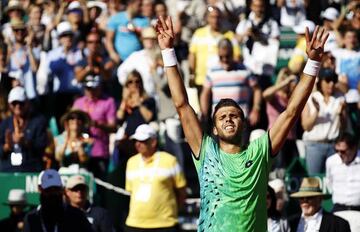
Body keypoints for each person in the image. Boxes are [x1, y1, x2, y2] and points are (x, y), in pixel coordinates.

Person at [155, 15, 329, 231]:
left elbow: (291, 112)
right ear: (215, 129)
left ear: (244, 124)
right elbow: (182, 105)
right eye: (222, 117)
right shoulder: (206, 150)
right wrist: (167, 51)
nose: (228, 118)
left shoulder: (259, 152)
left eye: (234, 115)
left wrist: (313, 63)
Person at [125, 124, 186, 231]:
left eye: (142, 140)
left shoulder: (170, 160)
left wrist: (172, 212)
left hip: (165, 224)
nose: (138, 144)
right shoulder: (131, 162)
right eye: (136, 140)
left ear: (153, 142)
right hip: (134, 224)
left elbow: (181, 191)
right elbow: (131, 191)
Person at [200, 38, 261, 135]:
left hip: (240, 120)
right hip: (219, 121)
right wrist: (204, 113)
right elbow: (205, 94)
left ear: (232, 53)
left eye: (227, 56)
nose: (225, 60)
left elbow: (257, 90)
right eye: (221, 57)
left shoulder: (245, 70)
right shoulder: (211, 71)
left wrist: (256, 109)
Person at [301, 68, 346, 175]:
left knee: (333, 180)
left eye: (334, 81)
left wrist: (341, 114)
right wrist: (316, 112)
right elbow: (306, 126)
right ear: (320, 81)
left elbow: (343, 127)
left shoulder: (340, 98)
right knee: (314, 180)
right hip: (314, 145)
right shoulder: (311, 98)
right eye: (327, 80)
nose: (331, 84)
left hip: (333, 145)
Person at [23, 169, 93, 232]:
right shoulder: (32, 219)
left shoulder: (77, 216)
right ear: (40, 190)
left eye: (55, 189)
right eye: (48, 190)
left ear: (61, 190)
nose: (52, 193)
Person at [0, 86, 47, 172]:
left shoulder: (38, 121)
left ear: (27, 103)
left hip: (31, 169)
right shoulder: (5, 124)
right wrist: (6, 147)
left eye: (21, 103)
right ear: (10, 104)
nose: (18, 106)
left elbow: (42, 147)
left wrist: (25, 142)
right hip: (7, 169)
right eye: (14, 103)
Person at [325, 132, 360, 231]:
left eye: (343, 151)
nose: (339, 154)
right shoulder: (331, 161)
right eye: (336, 150)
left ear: (354, 148)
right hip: (338, 211)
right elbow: (329, 182)